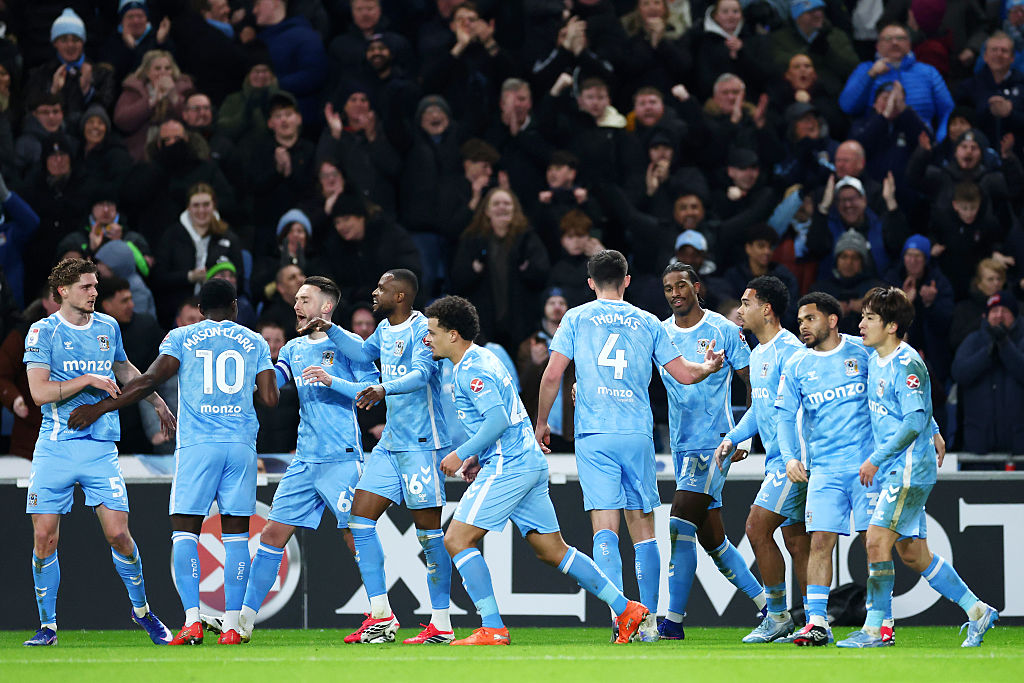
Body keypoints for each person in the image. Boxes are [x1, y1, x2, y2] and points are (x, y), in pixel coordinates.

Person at [426, 294, 650, 645]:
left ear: (453, 335)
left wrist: (461, 453)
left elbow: (498, 419)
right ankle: (626, 610)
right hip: (526, 461)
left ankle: (493, 627)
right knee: (552, 550)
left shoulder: (472, 368)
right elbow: (505, 417)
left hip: (510, 464)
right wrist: (476, 456)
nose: (428, 338)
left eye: (433, 332)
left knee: (455, 539)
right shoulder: (484, 358)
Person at [67, 278, 279, 645]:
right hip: (241, 445)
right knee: (237, 537)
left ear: (199, 310)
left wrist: (100, 407)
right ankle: (231, 626)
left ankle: (192, 621)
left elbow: (147, 381)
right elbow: (271, 399)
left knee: (185, 532)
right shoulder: (257, 341)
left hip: (197, 446)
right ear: (234, 308)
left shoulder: (181, 337)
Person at [535, 250, 724, 641]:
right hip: (636, 433)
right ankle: (651, 622)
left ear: (590, 283)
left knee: (605, 527)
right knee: (644, 528)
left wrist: (541, 423)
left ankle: (622, 617)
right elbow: (685, 375)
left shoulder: (576, 318)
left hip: (594, 433)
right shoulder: (648, 321)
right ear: (627, 280)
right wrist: (707, 366)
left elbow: (553, 374)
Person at [206, 277, 379, 643]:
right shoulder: (293, 348)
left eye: (305, 299)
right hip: (304, 461)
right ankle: (242, 622)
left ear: (326, 307)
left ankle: (382, 614)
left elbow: (371, 392)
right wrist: (238, 382)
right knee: (271, 534)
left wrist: (332, 380)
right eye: (296, 299)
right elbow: (273, 382)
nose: (297, 305)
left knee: (354, 535)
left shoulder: (349, 346)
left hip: (342, 458)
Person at [21, 258, 174, 647]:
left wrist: (154, 400)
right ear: (63, 292)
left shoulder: (107, 327)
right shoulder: (42, 333)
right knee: (44, 538)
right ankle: (48, 626)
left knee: (119, 534)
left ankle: (143, 612)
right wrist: (87, 379)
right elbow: (39, 393)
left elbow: (123, 369)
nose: (94, 293)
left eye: (94, 287)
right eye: (87, 287)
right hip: (55, 446)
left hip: (100, 447)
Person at [837, 286, 998, 647]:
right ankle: (977, 610)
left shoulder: (905, 363)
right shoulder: (878, 356)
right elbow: (918, 408)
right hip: (901, 466)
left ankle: (876, 630)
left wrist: (875, 460)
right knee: (913, 553)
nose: (861, 323)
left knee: (876, 542)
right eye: (862, 316)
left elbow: (912, 421)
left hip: (907, 468)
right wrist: (937, 431)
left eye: (870, 318)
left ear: (891, 326)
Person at [304, 269, 454, 645]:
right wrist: (332, 328)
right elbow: (361, 351)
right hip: (390, 445)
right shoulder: (384, 332)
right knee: (360, 522)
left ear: (400, 296)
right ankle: (382, 616)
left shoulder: (425, 330)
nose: (374, 292)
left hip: (422, 446)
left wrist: (383, 387)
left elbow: (421, 375)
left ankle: (441, 623)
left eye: (381, 288)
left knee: (428, 535)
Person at [656, 263, 769, 642]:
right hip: (681, 445)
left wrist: (745, 436)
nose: (676, 293)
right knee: (714, 541)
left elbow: (751, 378)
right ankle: (770, 606)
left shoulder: (722, 329)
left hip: (714, 442)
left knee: (678, 525)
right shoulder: (661, 332)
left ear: (696, 287)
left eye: (682, 285)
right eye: (669, 287)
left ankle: (672, 622)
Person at [716, 275, 809, 644]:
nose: (740, 310)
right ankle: (813, 619)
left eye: (746, 302)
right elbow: (760, 408)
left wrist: (796, 455)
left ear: (766, 309)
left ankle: (779, 616)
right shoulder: (757, 354)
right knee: (797, 540)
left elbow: (798, 408)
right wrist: (733, 437)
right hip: (779, 461)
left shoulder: (791, 351)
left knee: (756, 527)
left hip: (793, 460)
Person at [775, 292, 872, 646]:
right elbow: (783, 415)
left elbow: (896, 389)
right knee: (820, 542)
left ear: (832, 320)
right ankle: (817, 622)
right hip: (824, 470)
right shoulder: (798, 364)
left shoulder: (862, 350)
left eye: (810, 318)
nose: (803, 326)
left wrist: (933, 430)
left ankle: (878, 621)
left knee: (873, 543)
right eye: (800, 320)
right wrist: (789, 457)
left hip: (866, 467)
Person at [839, 22, 954, 141]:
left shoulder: (928, 72)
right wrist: (871, 75)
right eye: (888, 39)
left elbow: (948, 110)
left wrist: (941, 140)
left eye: (900, 38)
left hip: (920, 141)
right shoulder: (865, 69)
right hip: (877, 141)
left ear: (909, 44)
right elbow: (847, 106)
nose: (895, 43)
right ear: (878, 46)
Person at [952, 289, 1024, 457]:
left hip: (1019, 445)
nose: (999, 315)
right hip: (979, 445)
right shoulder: (973, 340)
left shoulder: (1021, 340)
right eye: (994, 311)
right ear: (986, 315)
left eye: (1004, 311)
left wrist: (1005, 345)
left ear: (1014, 315)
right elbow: (959, 373)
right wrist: (987, 354)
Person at [113, 50, 194, 161]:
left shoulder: (184, 89)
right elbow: (121, 121)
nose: (163, 72)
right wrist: (151, 102)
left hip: (177, 153)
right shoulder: (134, 89)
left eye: (167, 68)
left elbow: (192, 119)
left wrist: (173, 96)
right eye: (157, 68)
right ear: (147, 72)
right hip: (140, 155)